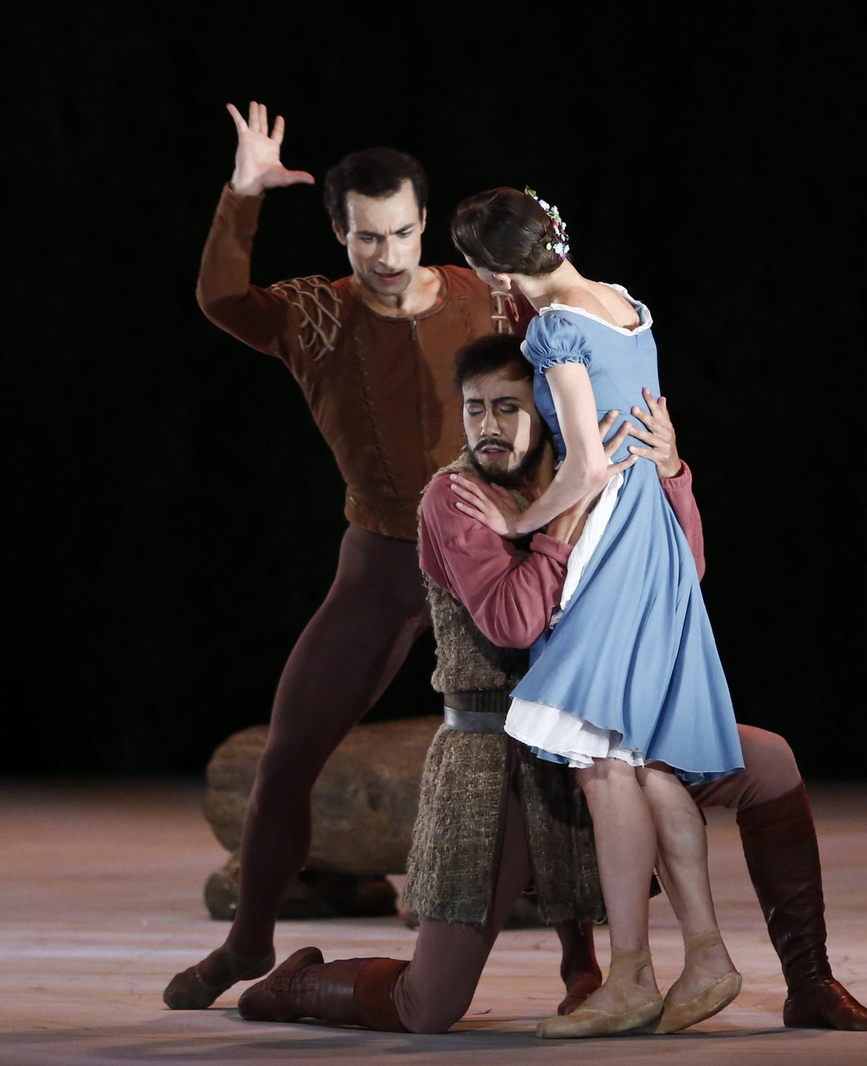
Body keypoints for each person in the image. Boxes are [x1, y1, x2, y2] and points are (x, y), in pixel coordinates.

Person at [234, 335, 867, 1034]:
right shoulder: (455, 498)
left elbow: (682, 573)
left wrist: (670, 475)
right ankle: (300, 983)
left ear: (548, 410)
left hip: (606, 722)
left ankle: (811, 982)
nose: (488, 425)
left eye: (508, 408)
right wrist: (565, 522)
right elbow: (515, 622)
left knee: (771, 761)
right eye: (475, 408)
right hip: (500, 757)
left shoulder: (592, 472)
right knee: (428, 1006)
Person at [161, 103, 605, 1010]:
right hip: (379, 566)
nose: (390, 254)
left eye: (402, 231)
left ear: (420, 222)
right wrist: (242, 195)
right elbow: (218, 301)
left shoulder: (488, 295)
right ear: (341, 233)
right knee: (288, 757)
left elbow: (579, 321)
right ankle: (249, 944)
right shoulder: (313, 314)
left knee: (549, 753)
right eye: (368, 237)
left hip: (492, 558)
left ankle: (581, 963)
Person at [443, 187, 743, 1038]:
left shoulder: (557, 328)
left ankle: (633, 978)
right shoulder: (622, 303)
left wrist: (516, 521)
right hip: (654, 533)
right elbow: (635, 437)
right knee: (647, 762)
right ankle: (708, 956)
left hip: (612, 535)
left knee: (603, 756)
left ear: (493, 269)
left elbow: (585, 468)